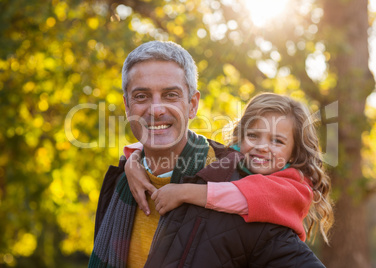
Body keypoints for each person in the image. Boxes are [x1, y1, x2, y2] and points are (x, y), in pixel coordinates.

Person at [89, 40, 326, 268]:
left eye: (171, 95)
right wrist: (132, 161)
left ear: (193, 105)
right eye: (141, 96)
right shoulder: (120, 182)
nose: (156, 109)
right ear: (127, 105)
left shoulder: (248, 193)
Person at [124, 93, 333, 244]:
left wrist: (184, 192)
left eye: (277, 141)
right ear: (241, 137)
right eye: (253, 135)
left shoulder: (295, 188)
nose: (261, 146)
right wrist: (133, 162)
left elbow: (248, 195)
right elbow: (177, 146)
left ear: (294, 153)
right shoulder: (230, 160)